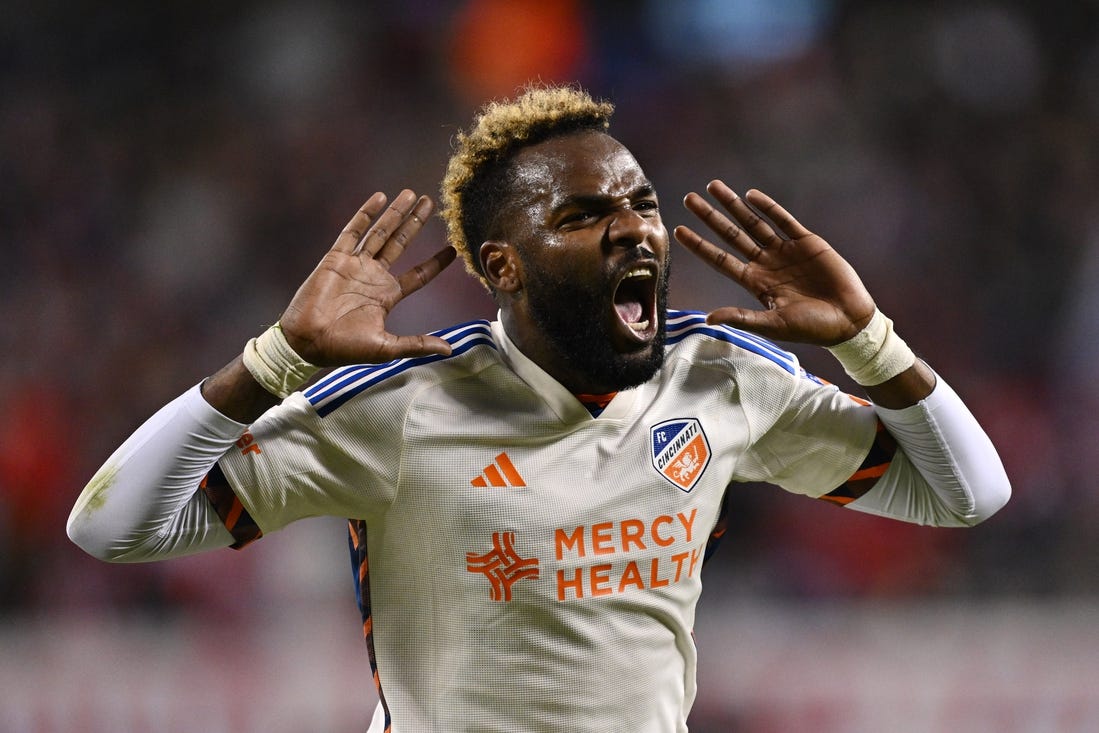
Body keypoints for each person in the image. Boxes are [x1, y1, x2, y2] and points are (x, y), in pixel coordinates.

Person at [68, 85, 1010, 732]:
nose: (632, 227)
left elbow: (966, 493)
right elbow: (111, 526)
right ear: (501, 266)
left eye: (639, 202)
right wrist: (271, 362)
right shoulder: (406, 402)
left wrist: (868, 340)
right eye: (580, 215)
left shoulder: (722, 378)